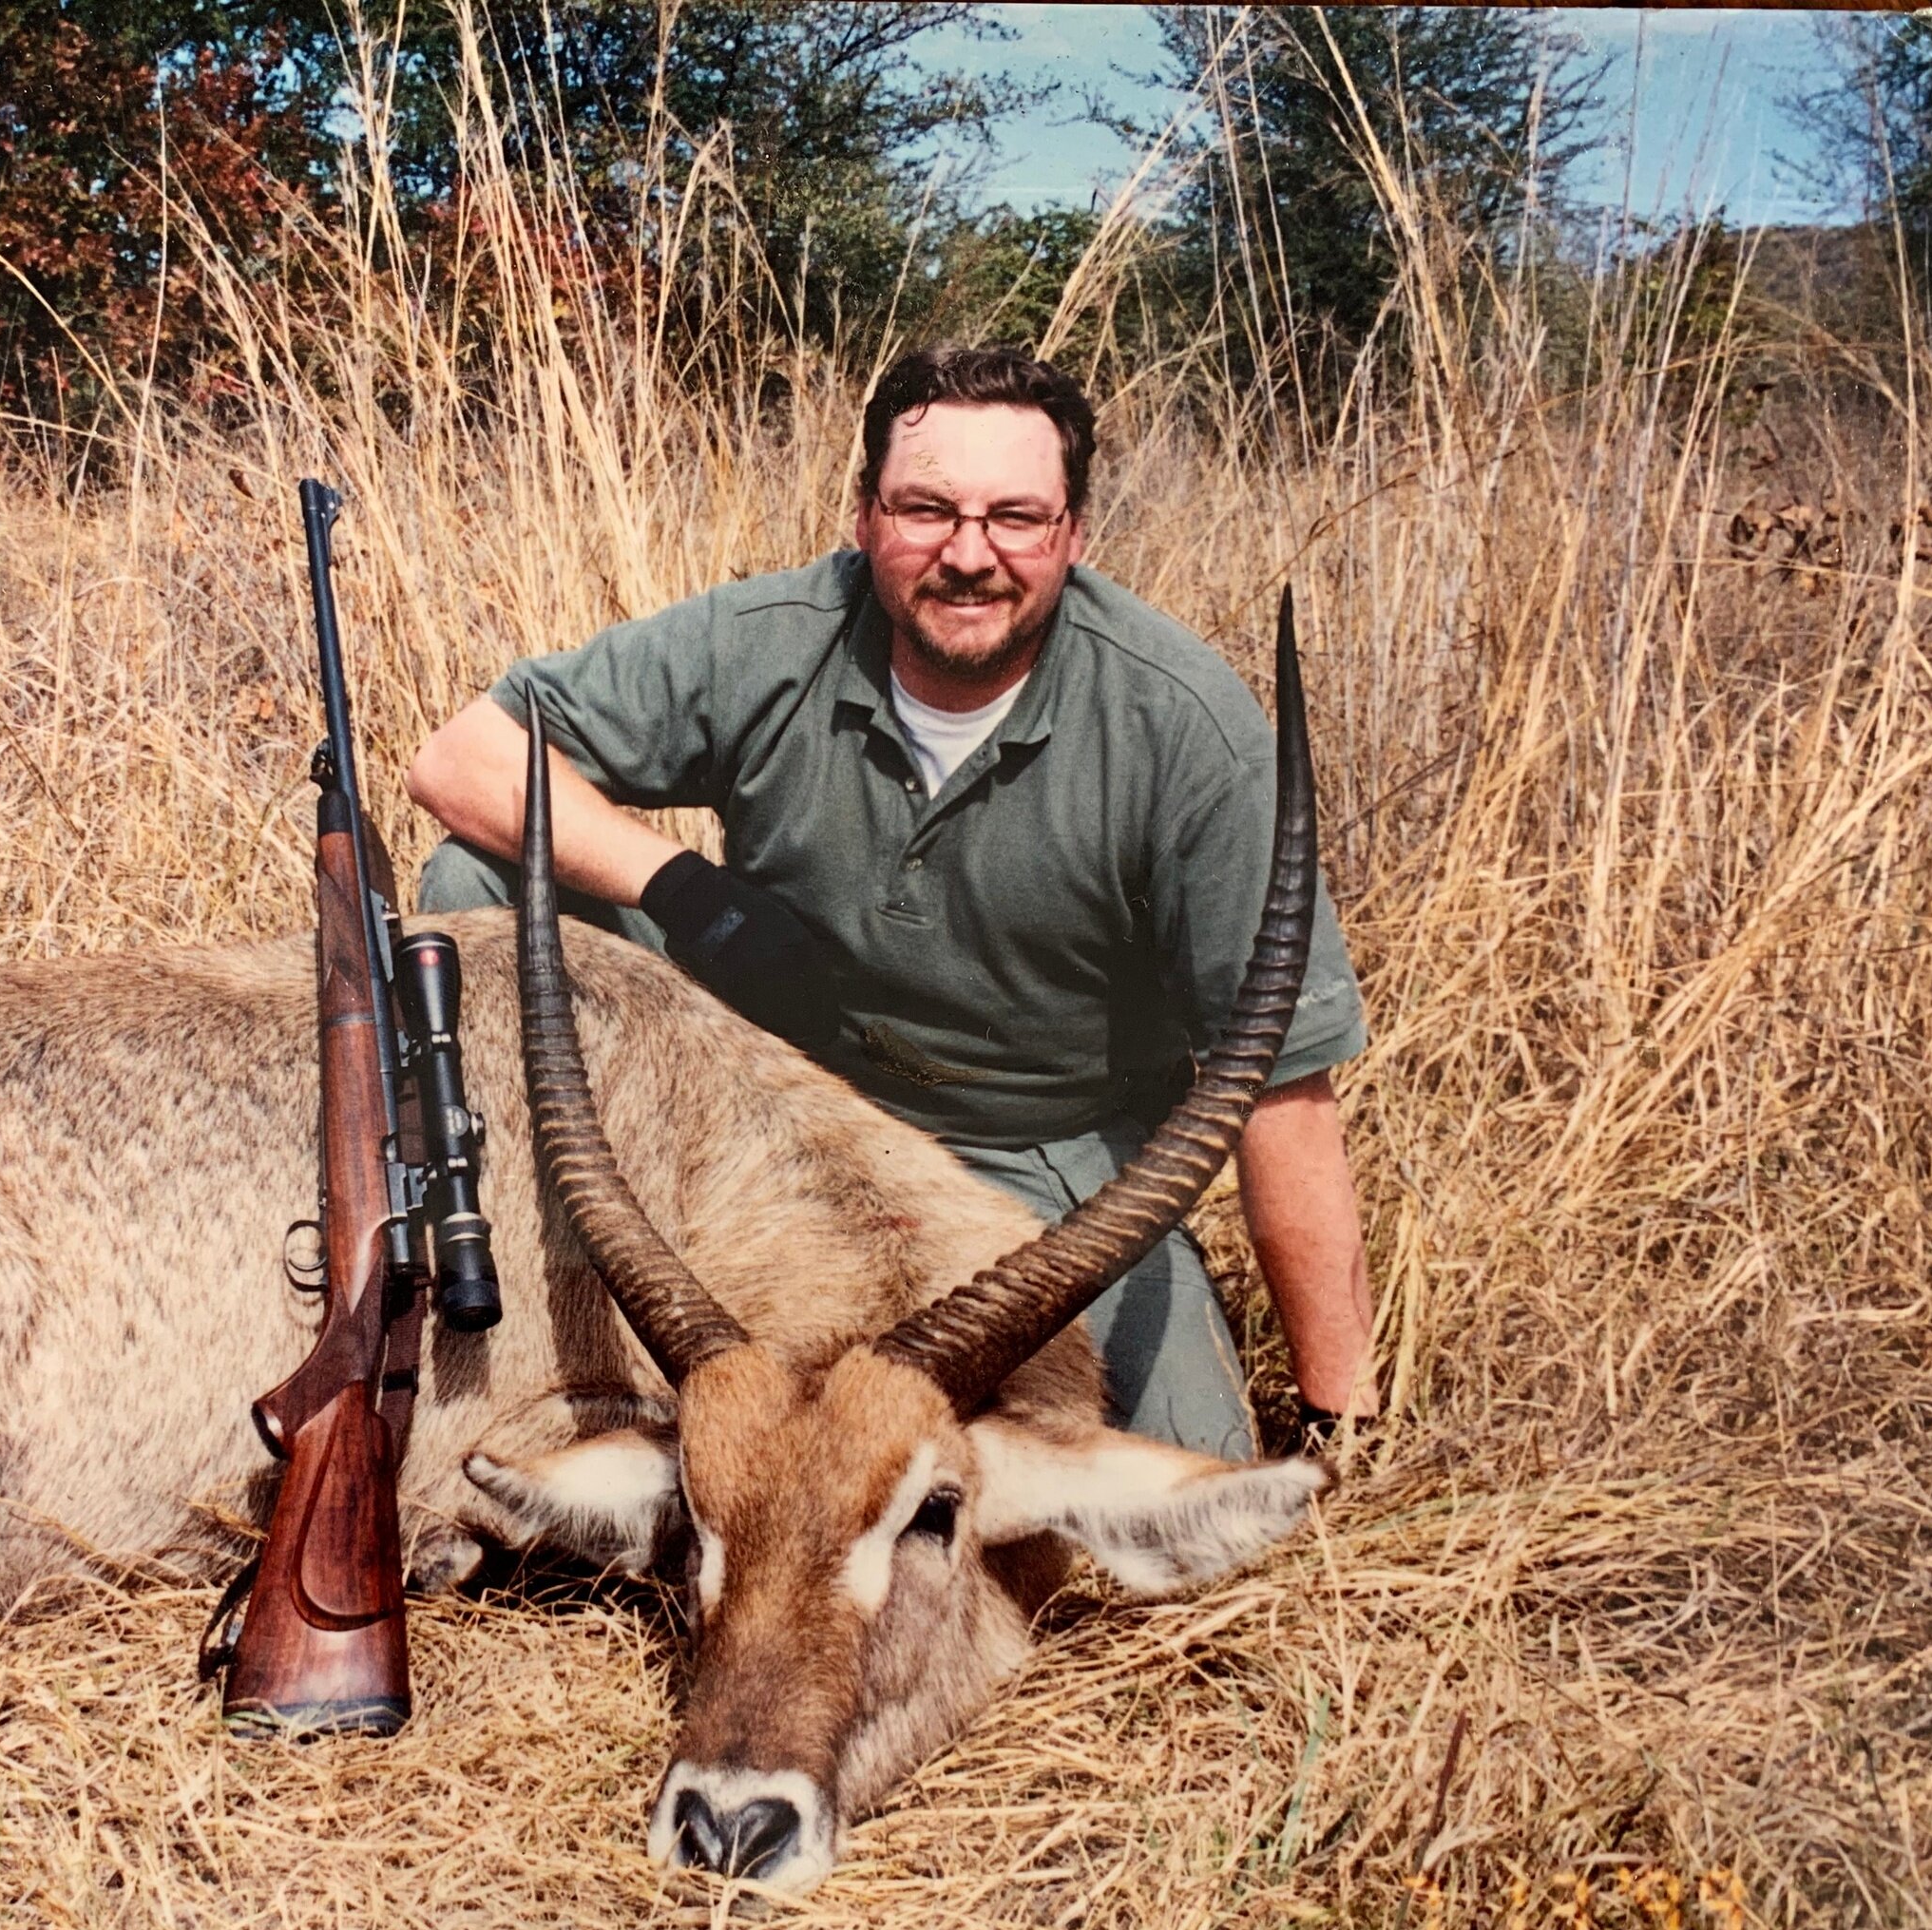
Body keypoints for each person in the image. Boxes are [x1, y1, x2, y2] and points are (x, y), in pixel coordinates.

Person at [404, 343, 1376, 1460]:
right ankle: (532, 1302)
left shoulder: (1186, 728)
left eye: (1016, 517)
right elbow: (463, 758)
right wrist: (686, 892)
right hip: (768, 1105)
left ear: (1075, 533)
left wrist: (1337, 1416)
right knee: (480, 891)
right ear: (865, 518)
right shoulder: (772, 636)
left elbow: (1282, 1089)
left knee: (1189, 1486)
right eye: (926, 509)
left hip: (1031, 1159)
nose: (970, 555)